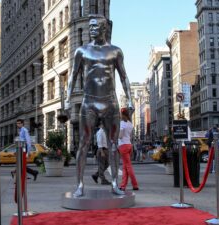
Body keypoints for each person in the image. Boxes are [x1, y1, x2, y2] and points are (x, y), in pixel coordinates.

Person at [64, 15, 133, 197]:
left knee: (113, 144)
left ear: (104, 28)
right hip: (90, 102)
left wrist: (130, 99)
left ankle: (115, 184)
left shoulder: (115, 51)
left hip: (110, 102)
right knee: (84, 143)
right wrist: (67, 98)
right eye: (90, 27)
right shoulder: (82, 51)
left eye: (95, 26)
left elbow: (123, 76)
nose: (91, 29)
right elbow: (73, 75)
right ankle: (79, 185)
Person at [118, 108, 139, 191]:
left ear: (123, 115)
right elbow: (130, 136)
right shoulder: (130, 124)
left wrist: (115, 135)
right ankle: (123, 185)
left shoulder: (122, 123)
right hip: (129, 145)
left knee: (128, 167)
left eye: (120, 114)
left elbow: (120, 136)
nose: (120, 115)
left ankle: (135, 184)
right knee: (125, 166)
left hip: (123, 145)